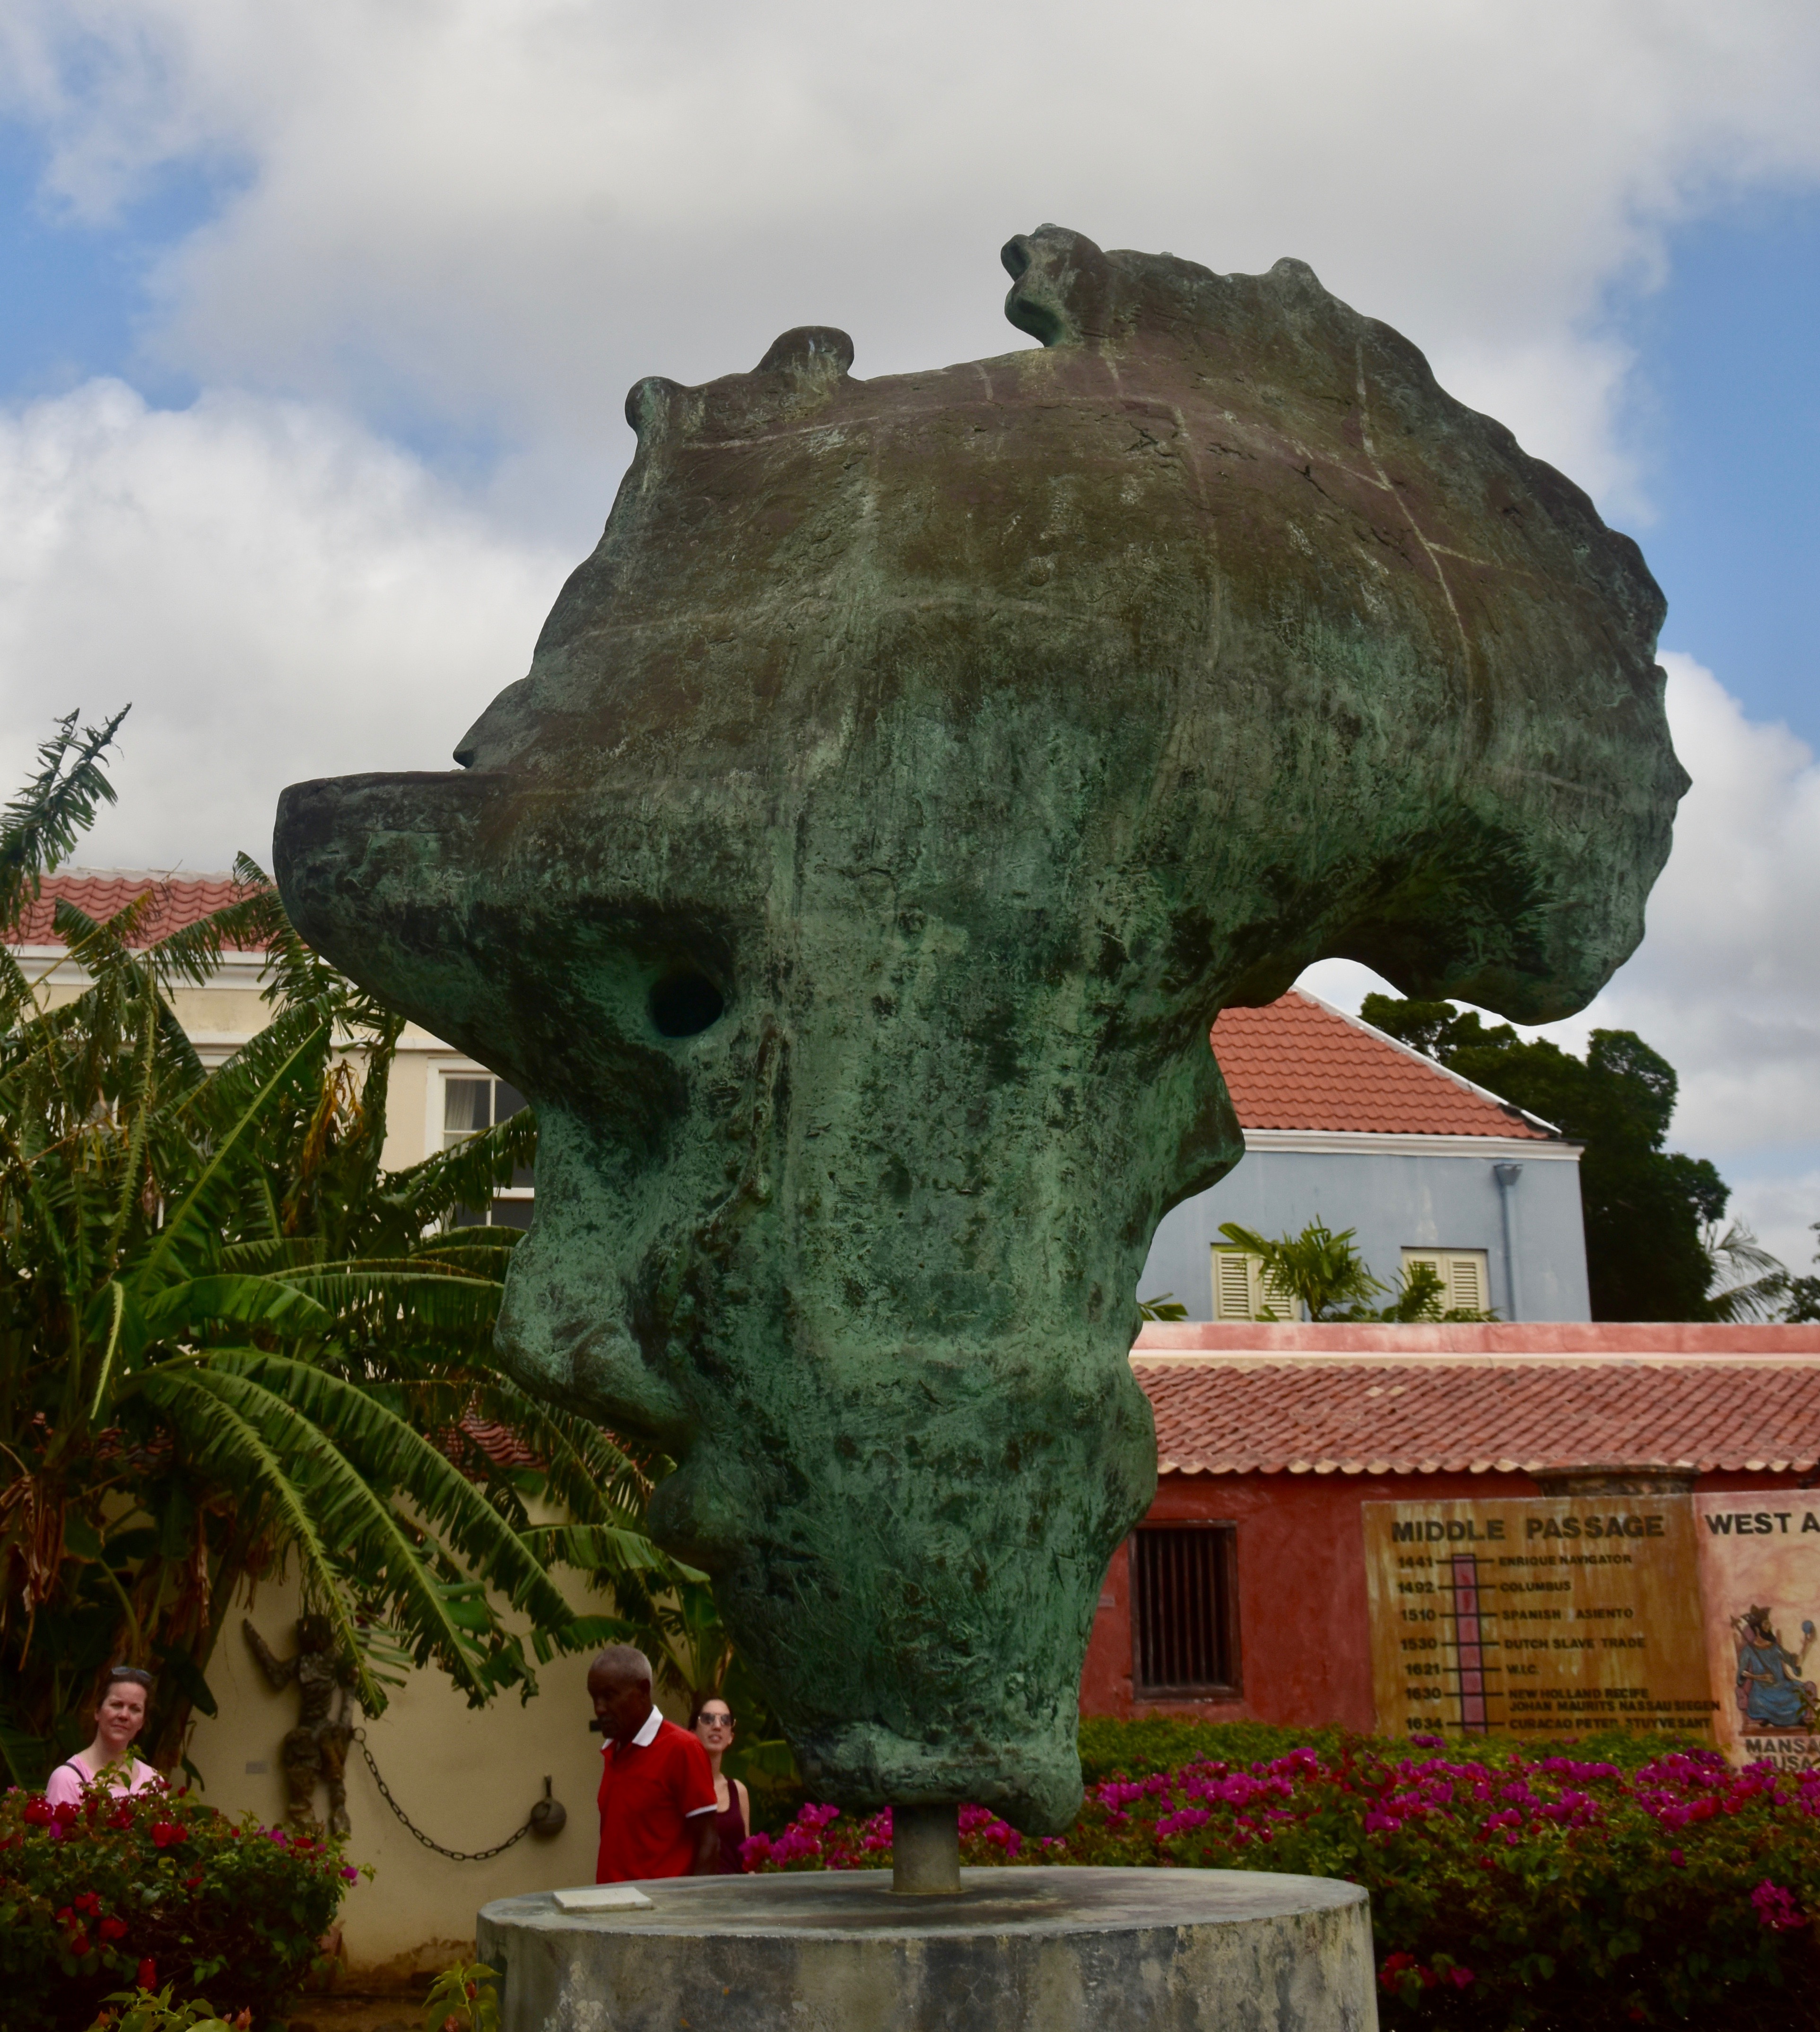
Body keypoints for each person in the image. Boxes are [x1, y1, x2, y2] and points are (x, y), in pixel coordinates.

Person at [589, 1645, 719, 1883]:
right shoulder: (613, 1750)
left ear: (643, 1690)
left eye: (609, 1696)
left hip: (659, 1915)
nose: (599, 1708)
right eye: (594, 1697)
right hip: (609, 1910)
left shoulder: (681, 1748)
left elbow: (709, 1843)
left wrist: (691, 1910)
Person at [44, 1666, 165, 1807]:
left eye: (135, 1709)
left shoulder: (153, 1782)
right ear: (97, 1711)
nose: (124, 1715)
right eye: (117, 1705)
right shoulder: (68, 1778)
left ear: (142, 1722)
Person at [691, 1694, 751, 1874]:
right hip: (693, 1894)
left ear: (731, 1737)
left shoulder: (738, 1791)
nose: (717, 1726)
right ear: (693, 1732)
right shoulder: (681, 1788)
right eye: (708, 1719)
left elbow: (748, 1856)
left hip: (737, 1894)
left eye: (725, 1720)